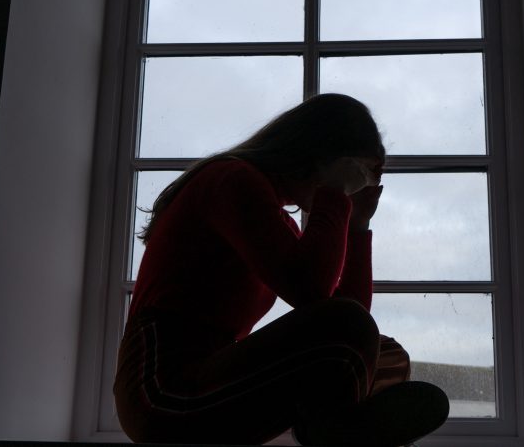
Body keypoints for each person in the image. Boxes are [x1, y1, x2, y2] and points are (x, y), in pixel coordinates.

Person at [113, 93, 449, 446]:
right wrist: (334, 191)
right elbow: (314, 293)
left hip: (213, 379)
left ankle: (333, 427)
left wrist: (358, 223)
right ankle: (332, 428)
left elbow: (348, 312)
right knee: (347, 329)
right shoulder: (232, 179)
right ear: (327, 153)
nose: (363, 185)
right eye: (360, 173)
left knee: (386, 356)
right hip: (162, 394)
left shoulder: (277, 220)